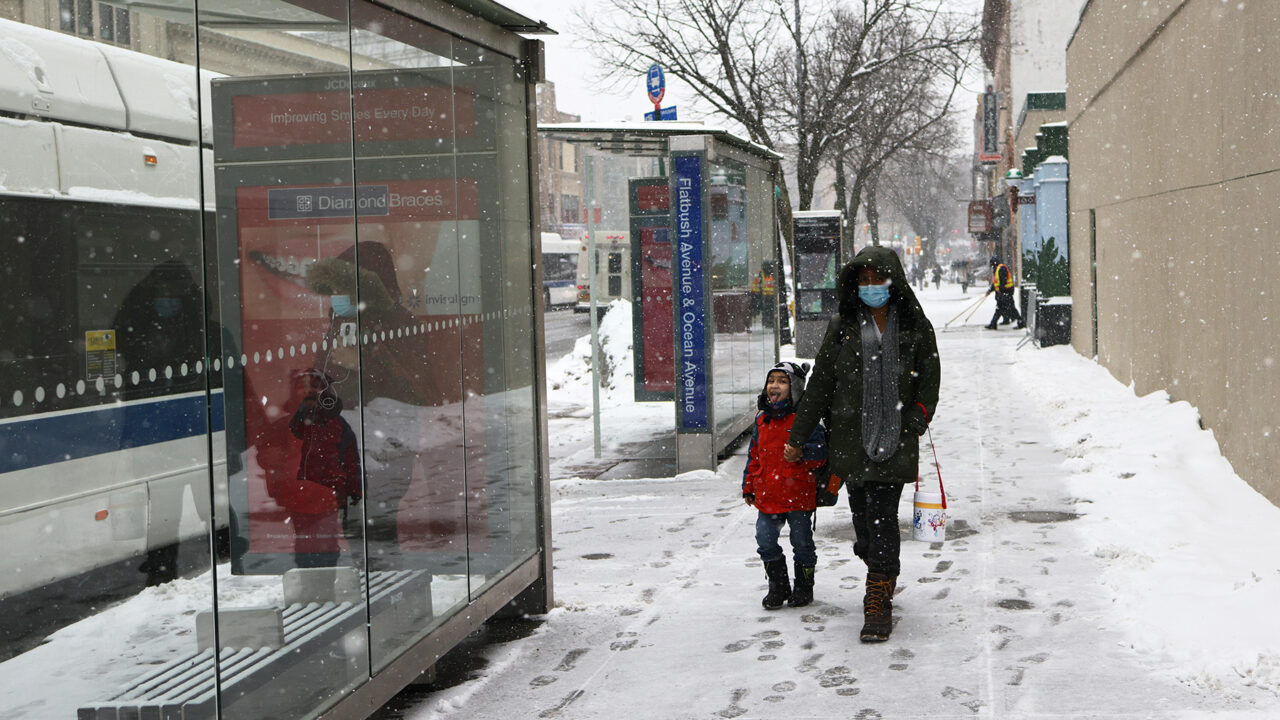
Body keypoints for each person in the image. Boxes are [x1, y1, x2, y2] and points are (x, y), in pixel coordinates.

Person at [784, 245, 940, 642]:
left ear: (893, 281)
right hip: (851, 441)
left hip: (896, 438)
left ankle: (877, 603)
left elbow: (930, 381)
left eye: (878, 278)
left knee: (883, 517)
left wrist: (917, 418)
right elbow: (821, 385)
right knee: (864, 526)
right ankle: (880, 566)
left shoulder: (914, 326)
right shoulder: (844, 325)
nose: (871, 286)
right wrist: (797, 437)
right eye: (864, 279)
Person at [742, 361, 828, 610]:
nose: (774, 386)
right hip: (768, 493)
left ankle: (804, 585)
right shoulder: (761, 420)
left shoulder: (805, 419)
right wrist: (749, 486)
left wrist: (802, 453)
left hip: (798, 493)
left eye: (782, 381)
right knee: (765, 540)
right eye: (771, 381)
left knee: (802, 542)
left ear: (795, 387)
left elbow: (821, 453)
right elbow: (754, 456)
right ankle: (778, 585)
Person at [984, 256, 1025, 330]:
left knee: (1010, 309)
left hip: (1006, 292)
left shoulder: (1001, 268)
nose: (992, 267)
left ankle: (1020, 322)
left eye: (992, 265)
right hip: (1002, 293)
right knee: (1000, 309)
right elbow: (996, 283)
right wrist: (990, 290)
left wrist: (1000, 290)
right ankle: (994, 323)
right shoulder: (997, 270)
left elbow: (1004, 280)